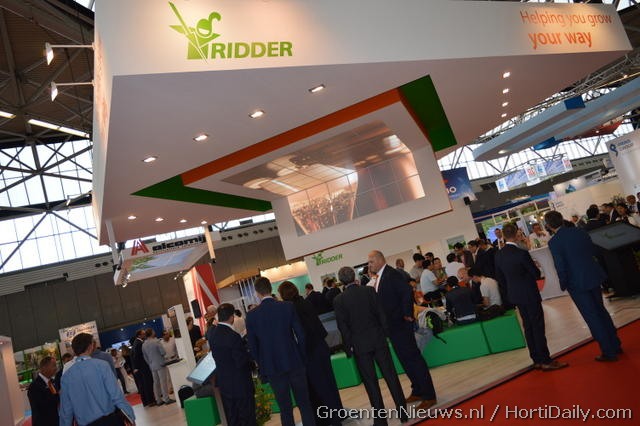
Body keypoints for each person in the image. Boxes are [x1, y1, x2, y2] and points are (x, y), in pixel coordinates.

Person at [545, 211, 622, 362]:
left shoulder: (554, 242)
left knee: (592, 316)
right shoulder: (579, 231)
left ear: (548, 225)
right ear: (562, 219)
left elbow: (560, 266)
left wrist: (563, 283)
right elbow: (593, 250)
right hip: (592, 275)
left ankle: (608, 351)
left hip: (576, 283)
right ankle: (616, 344)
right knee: (601, 311)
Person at [333, 267, 406, 425]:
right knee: (391, 377)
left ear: (341, 281)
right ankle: (403, 413)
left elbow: (343, 327)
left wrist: (348, 348)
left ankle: (380, 421)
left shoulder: (339, 300)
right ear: (354, 276)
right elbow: (381, 314)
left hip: (360, 346)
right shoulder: (369, 291)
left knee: (371, 384)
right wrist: (386, 334)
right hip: (378, 339)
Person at [367, 250, 437, 410]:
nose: (369, 265)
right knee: (405, 360)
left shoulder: (392, 274)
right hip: (392, 327)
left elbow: (406, 292)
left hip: (401, 324)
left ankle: (429, 395)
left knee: (413, 359)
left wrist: (407, 315)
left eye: (371, 262)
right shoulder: (380, 277)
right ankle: (418, 390)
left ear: (379, 260)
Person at [494, 224, 568, 371]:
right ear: (516, 234)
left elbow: (500, 278)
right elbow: (536, 274)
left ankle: (536, 359)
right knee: (537, 326)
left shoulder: (499, 255)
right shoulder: (521, 253)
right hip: (529, 293)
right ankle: (545, 359)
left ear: (503, 235)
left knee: (528, 326)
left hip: (515, 294)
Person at [246, 277, 316, 426]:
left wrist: (262, 365)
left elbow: (253, 347)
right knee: (304, 404)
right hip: (294, 361)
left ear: (257, 293)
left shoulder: (252, 316)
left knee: (285, 409)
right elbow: (301, 335)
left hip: (272, 367)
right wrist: (301, 356)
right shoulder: (287, 306)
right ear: (271, 289)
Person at [278, 281, 343, 426]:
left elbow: (301, 334)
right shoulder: (305, 302)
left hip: (310, 351)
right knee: (329, 382)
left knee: (318, 387)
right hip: (321, 346)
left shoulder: (291, 308)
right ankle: (338, 413)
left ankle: (328, 419)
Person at [59, 333, 135, 426]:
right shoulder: (102, 365)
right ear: (90, 346)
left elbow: (66, 411)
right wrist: (130, 416)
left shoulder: (66, 377)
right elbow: (116, 395)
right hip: (110, 421)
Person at [209, 303, 256, 426]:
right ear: (231, 317)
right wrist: (250, 358)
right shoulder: (233, 336)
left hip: (224, 384)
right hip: (240, 384)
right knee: (247, 417)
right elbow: (240, 361)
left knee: (232, 418)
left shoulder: (212, 335)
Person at [142, 328, 175, 406]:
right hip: (160, 364)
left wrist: (150, 363)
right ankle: (166, 399)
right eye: (153, 331)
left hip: (152, 365)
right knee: (163, 382)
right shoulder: (156, 341)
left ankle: (158, 400)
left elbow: (145, 357)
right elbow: (163, 352)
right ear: (151, 333)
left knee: (156, 383)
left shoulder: (144, 344)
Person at [27, 356, 59, 426]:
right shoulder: (34, 387)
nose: (56, 368)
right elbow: (43, 406)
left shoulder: (53, 381)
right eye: (54, 365)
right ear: (44, 368)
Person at [131, 329, 155, 407]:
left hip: (140, 368)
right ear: (139, 335)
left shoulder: (136, 342)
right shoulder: (139, 343)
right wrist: (136, 367)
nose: (145, 335)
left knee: (143, 385)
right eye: (143, 334)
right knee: (147, 384)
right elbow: (136, 356)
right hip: (143, 368)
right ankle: (150, 401)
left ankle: (146, 401)